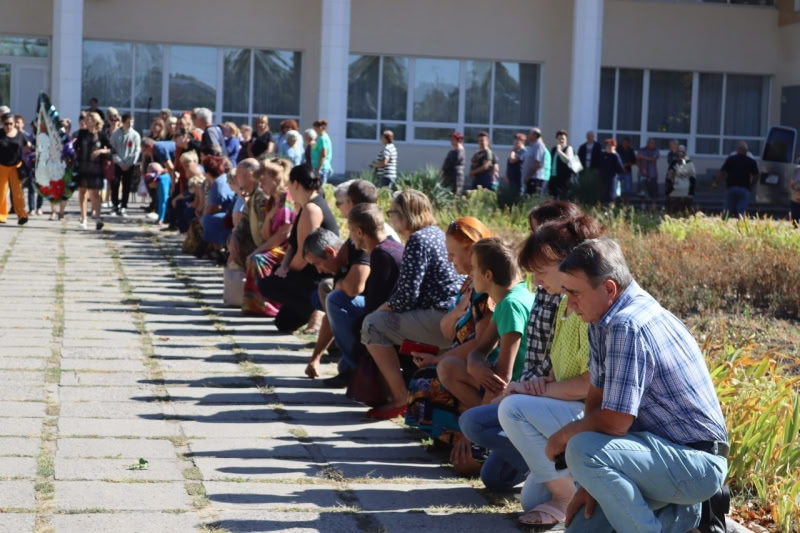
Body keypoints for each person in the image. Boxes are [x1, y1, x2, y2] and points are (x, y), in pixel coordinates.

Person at [546, 238, 728, 533]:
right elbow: (597, 397)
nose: (571, 303)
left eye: (576, 294)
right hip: (656, 458)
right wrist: (590, 483)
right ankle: (688, 516)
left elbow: (616, 422)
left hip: (696, 463)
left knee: (580, 448)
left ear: (608, 288)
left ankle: (687, 509)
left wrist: (563, 437)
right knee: (582, 528)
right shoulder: (600, 319)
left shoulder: (627, 324)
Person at [459, 201, 585, 497]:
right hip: (540, 388)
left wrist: (521, 391)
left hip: (557, 401)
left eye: (538, 233)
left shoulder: (574, 300)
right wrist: (476, 361)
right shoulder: (547, 288)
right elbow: (482, 348)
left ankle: (564, 478)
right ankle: (549, 469)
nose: (532, 240)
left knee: (477, 421)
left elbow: (589, 383)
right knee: (495, 479)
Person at [496, 216, 603, 527]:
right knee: (531, 500)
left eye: (541, 273)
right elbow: (560, 373)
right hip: (572, 411)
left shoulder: (591, 309)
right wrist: (534, 386)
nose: (536, 282)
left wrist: (531, 391)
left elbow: (588, 384)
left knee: (513, 409)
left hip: (598, 416)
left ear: (567, 262)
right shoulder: (563, 306)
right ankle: (580, 490)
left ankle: (567, 497)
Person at [361, 190, 464, 419]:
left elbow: (407, 295)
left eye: (392, 213)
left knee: (372, 325)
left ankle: (399, 398)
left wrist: (380, 310)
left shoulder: (418, 239)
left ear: (406, 214)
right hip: (454, 315)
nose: (390, 219)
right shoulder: (436, 233)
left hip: (439, 318)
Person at [406, 217, 495, 470]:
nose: (449, 260)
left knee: (437, 376)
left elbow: (482, 341)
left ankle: (471, 435)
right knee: (427, 375)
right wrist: (459, 309)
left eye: (453, 253)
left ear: (472, 249)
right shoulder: (468, 283)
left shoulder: (485, 289)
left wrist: (440, 358)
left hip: (480, 365)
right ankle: (449, 439)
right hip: (463, 357)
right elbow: (448, 331)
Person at [258, 164, 339, 333]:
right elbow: (294, 245)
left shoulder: (312, 209)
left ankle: (319, 309)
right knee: (283, 323)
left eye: (288, 184)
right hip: (307, 272)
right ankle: (312, 308)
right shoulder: (305, 206)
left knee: (266, 284)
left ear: (296, 184)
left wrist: (286, 272)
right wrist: (284, 266)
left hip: (318, 273)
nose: (287, 189)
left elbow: (305, 255)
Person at [74, 112, 111, 230]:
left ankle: (98, 219)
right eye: (86, 119)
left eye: (89, 119)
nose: (87, 121)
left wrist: (101, 151)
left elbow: (112, 149)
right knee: (82, 193)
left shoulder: (101, 135)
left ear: (96, 121)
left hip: (96, 168)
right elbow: (75, 147)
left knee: (95, 195)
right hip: (83, 166)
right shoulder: (82, 133)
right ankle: (83, 218)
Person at [228, 158, 267, 269]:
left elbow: (263, 234)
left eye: (238, 175)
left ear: (249, 175)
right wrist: (235, 235)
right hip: (259, 244)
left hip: (265, 247)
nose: (236, 179)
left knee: (239, 247)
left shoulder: (261, 196)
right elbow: (244, 218)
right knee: (232, 240)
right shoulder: (253, 194)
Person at [715, 141, 759, 218]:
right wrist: (750, 185)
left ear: (737, 150)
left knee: (727, 210)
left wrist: (716, 183)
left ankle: (724, 225)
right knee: (741, 211)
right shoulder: (751, 161)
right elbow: (756, 175)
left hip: (731, 187)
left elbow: (722, 173)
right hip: (744, 188)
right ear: (746, 151)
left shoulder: (731, 159)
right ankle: (741, 227)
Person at [0, 113, 30, 225]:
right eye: (6, 124)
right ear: (2, 124)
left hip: (15, 167)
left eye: (10, 124)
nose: (8, 126)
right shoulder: (0, 133)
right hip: (1, 166)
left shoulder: (20, 135)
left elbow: (28, 147)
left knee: (18, 193)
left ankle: (22, 215)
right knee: (1, 192)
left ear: (14, 124)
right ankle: (1, 215)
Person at [200, 155, 236, 247]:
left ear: (207, 172)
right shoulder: (223, 178)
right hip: (230, 212)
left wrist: (203, 215)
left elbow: (214, 207)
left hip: (229, 215)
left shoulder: (217, 183)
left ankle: (218, 246)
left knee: (206, 219)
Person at [110, 113, 141, 217]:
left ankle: (124, 205)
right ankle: (115, 205)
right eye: (128, 122)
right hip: (118, 164)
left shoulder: (135, 135)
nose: (130, 124)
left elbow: (137, 150)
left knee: (127, 185)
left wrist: (129, 163)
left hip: (129, 164)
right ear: (122, 122)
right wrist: (119, 162)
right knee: (115, 184)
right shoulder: (115, 134)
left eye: (132, 122)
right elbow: (113, 149)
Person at [665, 144, 696, 214]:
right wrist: (667, 191)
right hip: (674, 193)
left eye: (682, 151)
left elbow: (693, 179)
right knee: (672, 213)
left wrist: (691, 193)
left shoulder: (689, 163)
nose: (680, 153)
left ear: (685, 152)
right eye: (679, 151)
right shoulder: (674, 162)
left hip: (685, 193)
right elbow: (669, 178)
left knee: (684, 213)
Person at [522, 128, 550, 195]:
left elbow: (537, 163)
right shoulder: (531, 146)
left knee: (534, 200)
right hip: (530, 178)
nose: (528, 135)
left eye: (529, 134)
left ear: (535, 135)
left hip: (536, 179)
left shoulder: (539, 146)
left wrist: (528, 176)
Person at [596, 139, 624, 206]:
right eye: (607, 145)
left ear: (614, 147)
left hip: (612, 179)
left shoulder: (616, 156)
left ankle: (610, 210)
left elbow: (620, 169)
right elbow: (598, 166)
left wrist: (615, 155)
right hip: (603, 179)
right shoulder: (602, 155)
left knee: (611, 198)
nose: (608, 147)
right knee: (602, 196)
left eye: (610, 146)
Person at [549, 130, 576, 200]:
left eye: (563, 139)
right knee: (553, 200)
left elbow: (567, 160)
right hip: (554, 179)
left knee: (563, 199)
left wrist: (560, 151)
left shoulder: (569, 148)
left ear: (566, 139)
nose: (561, 140)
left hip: (565, 179)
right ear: (556, 139)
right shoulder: (553, 149)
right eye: (559, 139)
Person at [637, 138, 660, 205]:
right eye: (651, 143)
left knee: (653, 193)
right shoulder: (641, 150)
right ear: (648, 143)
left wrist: (642, 157)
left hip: (652, 174)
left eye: (654, 143)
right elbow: (637, 161)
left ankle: (653, 208)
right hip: (642, 174)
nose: (653, 144)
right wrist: (642, 169)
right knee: (642, 192)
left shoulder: (656, 150)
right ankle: (643, 207)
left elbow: (653, 159)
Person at [505, 133, 527, 200]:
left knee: (518, 196)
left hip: (518, 178)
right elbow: (509, 163)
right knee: (512, 195)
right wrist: (506, 174)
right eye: (514, 140)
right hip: (512, 178)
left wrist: (513, 151)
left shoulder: (524, 151)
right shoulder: (516, 152)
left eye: (517, 140)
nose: (515, 142)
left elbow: (512, 160)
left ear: (523, 141)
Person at [311, 120, 333, 185]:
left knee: (321, 189)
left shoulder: (322, 139)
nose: (314, 130)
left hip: (321, 169)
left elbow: (323, 154)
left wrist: (318, 169)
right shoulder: (323, 137)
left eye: (315, 128)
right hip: (322, 168)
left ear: (320, 128)